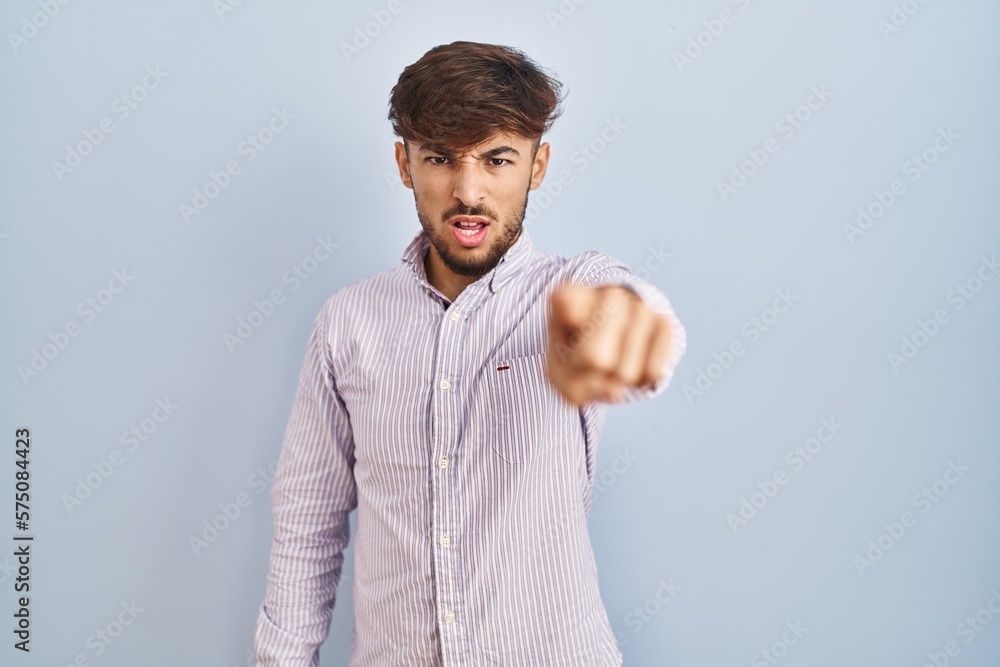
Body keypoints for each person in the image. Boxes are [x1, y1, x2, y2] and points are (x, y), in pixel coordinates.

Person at [252, 40, 687, 666]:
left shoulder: (572, 291)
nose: (468, 191)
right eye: (441, 159)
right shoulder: (348, 323)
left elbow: (641, 336)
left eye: (497, 159)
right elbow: (306, 526)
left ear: (537, 167)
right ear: (405, 164)